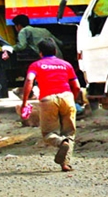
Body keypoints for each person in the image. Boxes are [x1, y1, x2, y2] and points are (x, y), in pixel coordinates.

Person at [20, 39, 80, 172]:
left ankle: (60, 143)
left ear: (40, 53)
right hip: (67, 97)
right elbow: (77, 86)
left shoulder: (36, 65)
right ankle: (65, 164)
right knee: (69, 132)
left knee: (48, 134)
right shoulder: (66, 64)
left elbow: (29, 80)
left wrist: (24, 102)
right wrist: (73, 100)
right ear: (55, 51)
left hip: (48, 100)